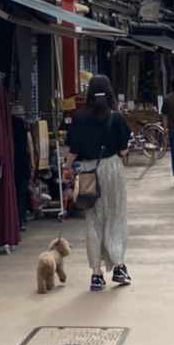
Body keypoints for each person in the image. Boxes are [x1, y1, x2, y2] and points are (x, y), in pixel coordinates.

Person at [66, 75, 133, 291]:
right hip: (112, 169)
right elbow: (123, 152)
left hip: (88, 171)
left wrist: (68, 171)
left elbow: (72, 153)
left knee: (93, 221)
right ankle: (119, 267)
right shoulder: (117, 118)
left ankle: (96, 274)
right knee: (115, 217)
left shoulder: (79, 118)